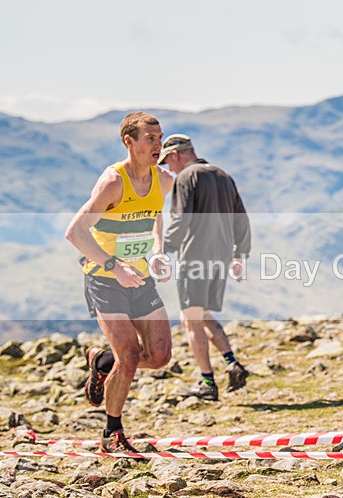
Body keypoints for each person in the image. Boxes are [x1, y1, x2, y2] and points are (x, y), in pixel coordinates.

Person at [65, 112, 174, 453]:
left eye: (159, 138)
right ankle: (111, 434)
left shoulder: (164, 180)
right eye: (149, 139)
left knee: (159, 357)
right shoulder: (114, 182)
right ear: (129, 141)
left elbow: (155, 216)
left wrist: (157, 251)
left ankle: (102, 363)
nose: (157, 145)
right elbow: (76, 232)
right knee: (128, 355)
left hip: (140, 278)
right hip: (105, 280)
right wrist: (114, 266)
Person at [159, 134, 251, 401]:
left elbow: (180, 220)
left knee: (190, 318)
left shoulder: (187, 178)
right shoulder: (223, 175)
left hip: (194, 257)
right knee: (203, 313)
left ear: (176, 155)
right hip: (220, 256)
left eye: (167, 162)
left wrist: (162, 251)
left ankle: (207, 383)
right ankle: (232, 363)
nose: (167, 168)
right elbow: (241, 218)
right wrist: (240, 254)